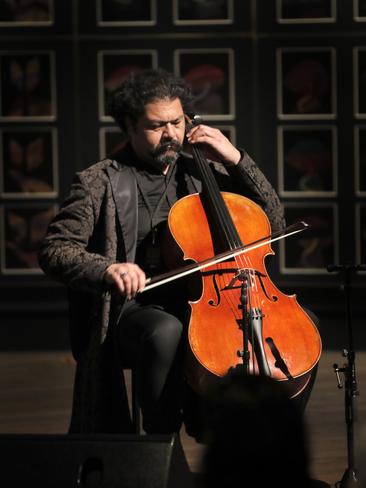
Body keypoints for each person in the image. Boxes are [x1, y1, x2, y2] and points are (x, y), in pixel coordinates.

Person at [38, 68, 287, 435]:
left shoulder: (203, 172)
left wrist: (235, 159)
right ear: (129, 126)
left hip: (205, 300)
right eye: (157, 126)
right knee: (166, 329)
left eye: (176, 122)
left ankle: (241, 436)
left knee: (298, 327)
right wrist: (108, 269)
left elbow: (274, 221)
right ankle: (162, 443)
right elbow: (55, 250)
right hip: (133, 310)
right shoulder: (99, 182)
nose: (171, 134)